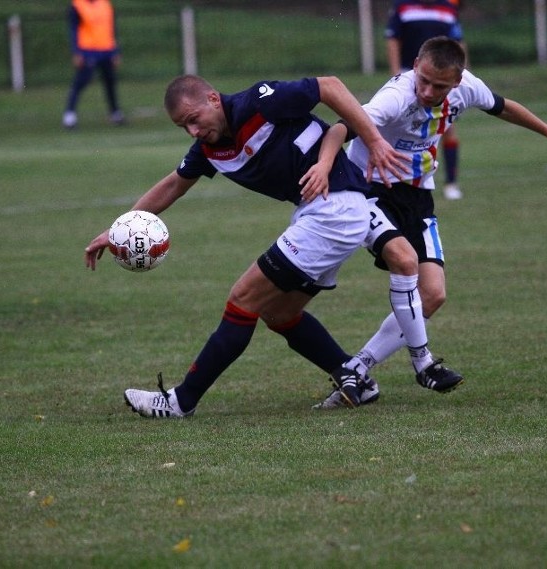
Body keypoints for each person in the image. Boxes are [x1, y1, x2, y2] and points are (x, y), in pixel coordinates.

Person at [84, 74, 411, 418]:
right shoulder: (210, 149)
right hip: (324, 214)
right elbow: (172, 185)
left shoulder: (259, 101)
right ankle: (353, 376)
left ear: (212, 99)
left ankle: (180, 402)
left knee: (243, 299)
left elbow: (328, 86)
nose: (192, 131)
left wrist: (374, 141)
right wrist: (117, 229)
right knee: (279, 312)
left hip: (335, 211)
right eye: (184, 127)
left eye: (193, 119)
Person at [313, 37, 547, 409]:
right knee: (404, 261)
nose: (427, 91)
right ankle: (423, 362)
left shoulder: (468, 87)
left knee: (433, 294)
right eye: (423, 80)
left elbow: (503, 107)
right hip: (369, 190)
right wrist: (325, 165)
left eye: (439, 86)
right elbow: (341, 127)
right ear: (415, 66)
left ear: (457, 82)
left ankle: (357, 369)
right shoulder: (396, 96)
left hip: (418, 196)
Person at [386, 0, 465, 200]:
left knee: (448, 129)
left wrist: (463, 74)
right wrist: (396, 72)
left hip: (441, 81)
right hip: (411, 76)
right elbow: (393, 39)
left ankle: (451, 183)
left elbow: (457, 43)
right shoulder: (403, 6)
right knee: (399, 130)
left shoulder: (448, 9)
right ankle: (396, 181)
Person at [62, 0, 124, 129]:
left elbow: (111, 28)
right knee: (81, 82)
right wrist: (77, 52)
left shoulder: (105, 4)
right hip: (88, 50)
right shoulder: (78, 5)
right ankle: (69, 114)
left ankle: (115, 113)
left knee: (110, 82)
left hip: (106, 50)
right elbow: (73, 29)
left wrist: (115, 51)